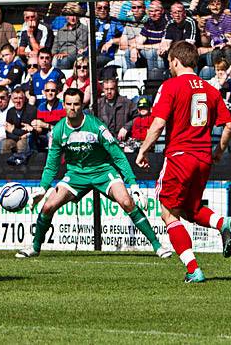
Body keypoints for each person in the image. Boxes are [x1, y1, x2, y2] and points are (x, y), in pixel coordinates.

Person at [16, 88, 172, 259]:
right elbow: (51, 164)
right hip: (76, 175)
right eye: (69, 104)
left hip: (103, 171)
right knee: (47, 206)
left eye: (76, 104)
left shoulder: (96, 126)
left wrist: (133, 183)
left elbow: (117, 155)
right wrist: (43, 188)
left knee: (127, 202)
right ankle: (35, 247)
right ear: (63, 105)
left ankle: (158, 246)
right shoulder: (59, 130)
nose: (72, 108)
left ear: (82, 105)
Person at [136, 40, 231, 283]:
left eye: (170, 63)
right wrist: (219, 152)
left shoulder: (171, 86)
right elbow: (230, 125)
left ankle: (193, 269)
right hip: (203, 159)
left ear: (175, 61)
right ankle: (223, 222)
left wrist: (143, 150)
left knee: (168, 214)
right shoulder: (211, 90)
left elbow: (158, 124)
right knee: (190, 210)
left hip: (180, 156)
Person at [129, 0, 168, 71]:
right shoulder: (148, 23)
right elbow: (138, 41)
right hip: (149, 51)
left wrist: (141, 46)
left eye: (156, 11)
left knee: (151, 52)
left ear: (162, 11)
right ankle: (134, 79)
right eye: (151, 11)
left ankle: (153, 79)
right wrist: (134, 48)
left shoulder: (168, 23)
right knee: (128, 52)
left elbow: (162, 45)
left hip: (163, 54)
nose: (153, 14)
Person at [3, 88, 37, 154]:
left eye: (20, 98)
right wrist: (19, 136)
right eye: (15, 98)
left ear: (24, 99)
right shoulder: (10, 111)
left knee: (21, 144)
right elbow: (7, 131)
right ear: (12, 100)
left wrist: (13, 130)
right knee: (6, 144)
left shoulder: (32, 110)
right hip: (14, 138)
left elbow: (30, 130)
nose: (18, 101)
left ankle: (23, 163)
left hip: (29, 139)